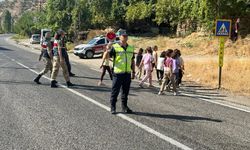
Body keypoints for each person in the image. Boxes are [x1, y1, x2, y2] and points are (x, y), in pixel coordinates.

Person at [109, 29, 135, 114]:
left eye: (126, 36)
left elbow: (132, 61)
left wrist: (133, 71)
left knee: (125, 92)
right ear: (119, 37)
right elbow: (107, 56)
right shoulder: (115, 47)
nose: (125, 37)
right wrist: (107, 48)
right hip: (118, 73)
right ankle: (113, 107)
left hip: (127, 73)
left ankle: (124, 107)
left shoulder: (131, 48)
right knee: (115, 91)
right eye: (123, 36)